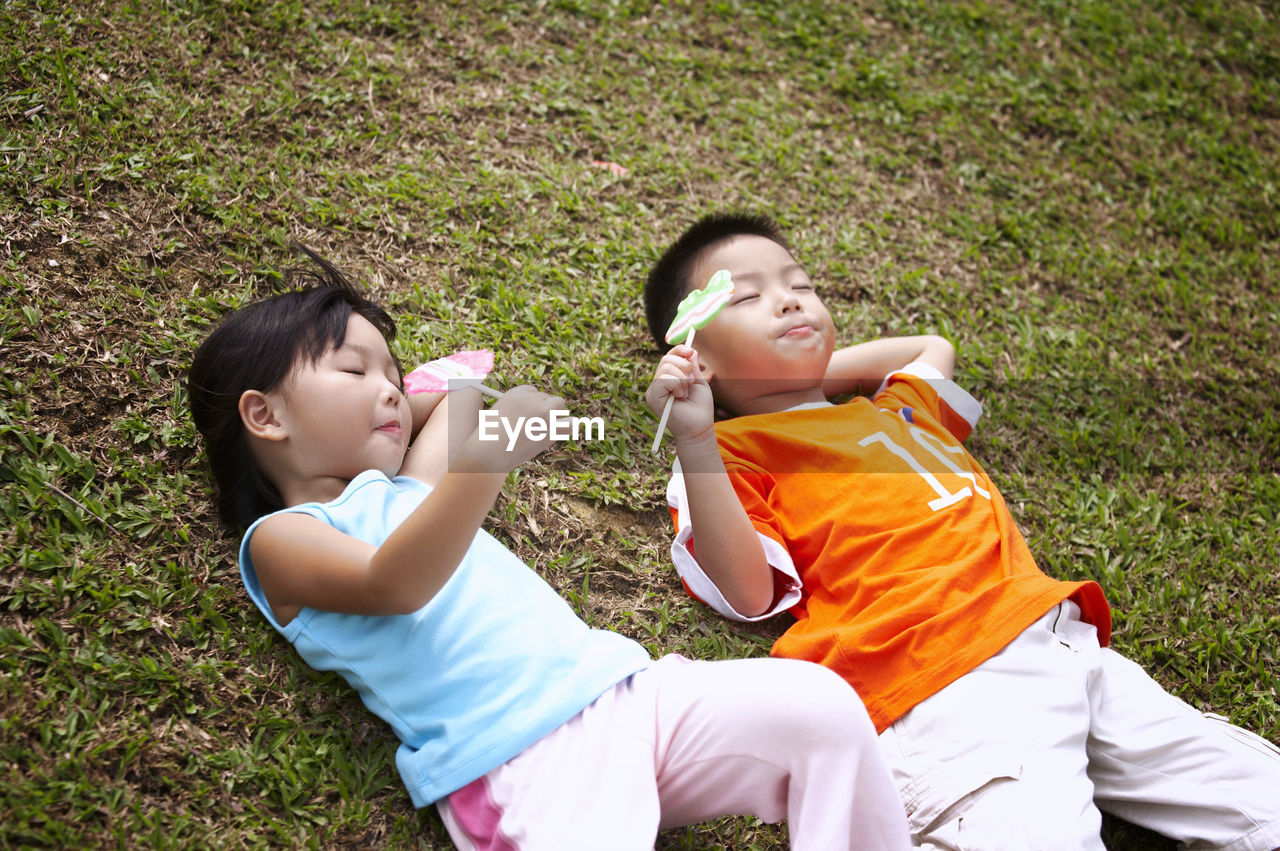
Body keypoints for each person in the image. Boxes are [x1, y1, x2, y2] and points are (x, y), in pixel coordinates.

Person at [187, 246, 910, 851]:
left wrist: (406, 404)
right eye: (354, 372)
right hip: (521, 760)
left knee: (817, 707)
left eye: (392, 374)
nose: (387, 390)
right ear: (264, 414)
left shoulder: (411, 485)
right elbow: (393, 581)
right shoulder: (282, 539)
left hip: (627, 691)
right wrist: (488, 459)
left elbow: (454, 397)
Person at [642, 212, 1280, 850]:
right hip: (943, 679)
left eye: (800, 285)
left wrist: (809, 376)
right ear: (692, 352)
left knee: (1263, 798)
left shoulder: (900, 408)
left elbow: (930, 348)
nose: (787, 299)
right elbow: (750, 593)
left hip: (1066, 648)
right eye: (748, 298)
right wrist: (699, 429)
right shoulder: (732, 452)